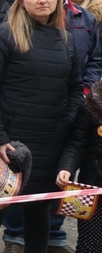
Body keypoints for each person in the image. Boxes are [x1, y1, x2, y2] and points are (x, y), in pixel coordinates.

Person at [0, 0, 84, 253]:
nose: (42, 0)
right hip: (8, 143)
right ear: (21, 0)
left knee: (39, 213)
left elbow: (74, 87)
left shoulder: (66, 41)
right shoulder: (2, 35)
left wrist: (66, 122)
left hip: (49, 143)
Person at [56, 80, 102, 252]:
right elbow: (77, 143)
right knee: (89, 247)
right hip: (91, 189)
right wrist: (66, 168)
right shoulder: (93, 101)